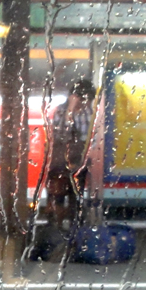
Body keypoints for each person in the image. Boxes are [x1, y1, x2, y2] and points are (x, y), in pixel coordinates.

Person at [45, 79, 95, 231]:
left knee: (76, 198)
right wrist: (70, 112)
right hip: (60, 164)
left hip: (78, 163)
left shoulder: (88, 114)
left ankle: (75, 228)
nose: (87, 104)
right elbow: (61, 135)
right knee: (57, 196)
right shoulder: (61, 111)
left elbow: (87, 139)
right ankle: (55, 227)